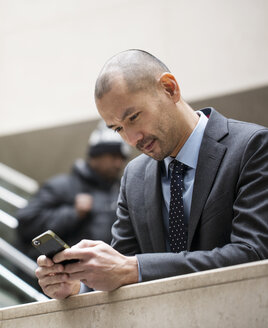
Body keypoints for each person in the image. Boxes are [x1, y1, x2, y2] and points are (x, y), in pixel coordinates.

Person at [35, 49, 268, 299]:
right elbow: (120, 271)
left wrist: (135, 268)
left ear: (169, 89)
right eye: (118, 129)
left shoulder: (252, 147)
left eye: (134, 117)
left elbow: (254, 254)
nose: (131, 139)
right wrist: (78, 285)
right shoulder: (133, 176)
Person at [16, 123, 130, 261]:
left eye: (122, 158)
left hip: (108, 274)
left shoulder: (121, 191)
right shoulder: (61, 186)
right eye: (113, 156)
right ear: (95, 155)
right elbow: (25, 224)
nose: (118, 163)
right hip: (67, 277)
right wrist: (73, 213)